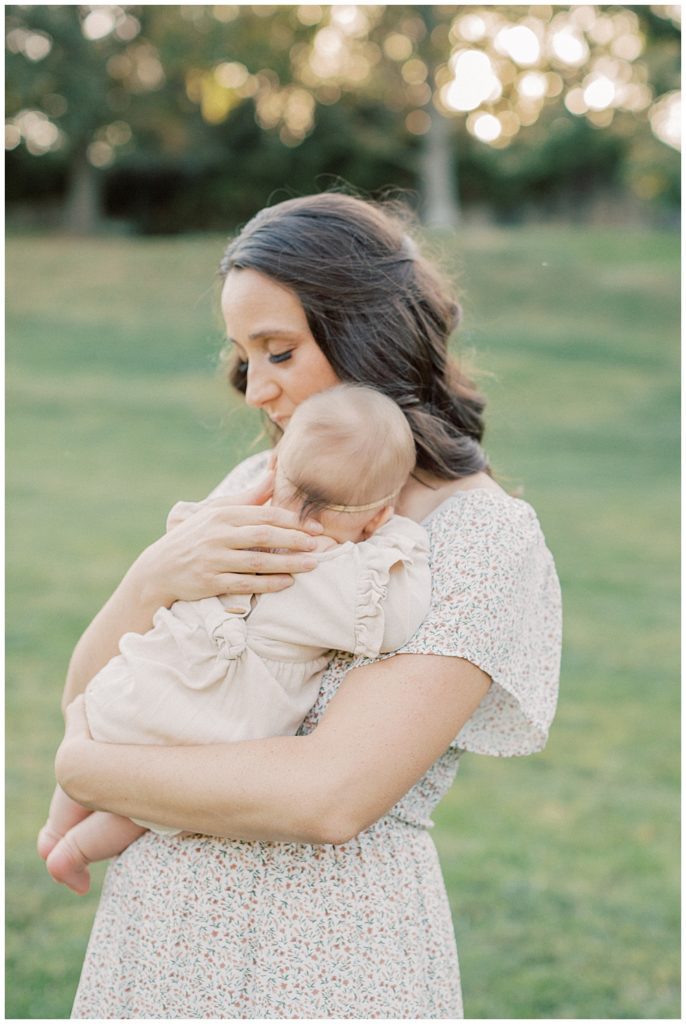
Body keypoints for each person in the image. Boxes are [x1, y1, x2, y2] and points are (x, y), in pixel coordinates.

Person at [52, 192, 562, 1019]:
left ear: (369, 333)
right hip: (160, 935)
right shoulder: (259, 487)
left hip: (328, 954)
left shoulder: (484, 539)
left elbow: (329, 796)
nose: (255, 389)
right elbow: (98, 690)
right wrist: (152, 577)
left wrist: (84, 770)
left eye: (279, 352)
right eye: (244, 357)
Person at [38, 384, 431, 896]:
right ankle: (76, 850)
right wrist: (405, 540)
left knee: (98, 729)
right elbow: (395, 618)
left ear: (274, 471)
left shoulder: (228, 524)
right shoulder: (333, 577)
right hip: (214, 730)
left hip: (142, 688)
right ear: (376, 516)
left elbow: (182, 523)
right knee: (155, 805)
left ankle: (54, 829)